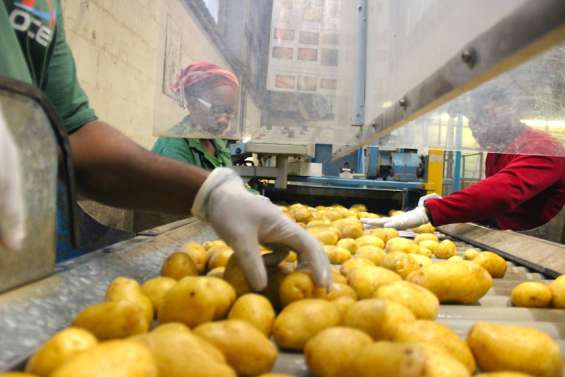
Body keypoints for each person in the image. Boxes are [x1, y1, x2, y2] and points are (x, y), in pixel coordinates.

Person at [0, 1, 330, 290]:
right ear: (191, 102)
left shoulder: (45, 5)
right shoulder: (176, 144)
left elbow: (74, 131)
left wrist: (214, 193)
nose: (224, 118)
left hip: (21, 249)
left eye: (230, 111)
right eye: (217, 108)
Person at [363, 93, 565, 243]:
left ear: (507, 111)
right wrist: (448, 204)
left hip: (539, 247)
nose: (475, 128)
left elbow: (501, 194)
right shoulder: (497, 151)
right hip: (506, 238)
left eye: (482, 118)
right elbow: (490, 201)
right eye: (472, 120)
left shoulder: (542, 147)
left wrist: (431, 212)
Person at [152, 62, 236, 170]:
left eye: (229, 111)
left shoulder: (216, 143)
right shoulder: (174, 147)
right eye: (217, 109)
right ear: (193, 103)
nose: (223, 120)